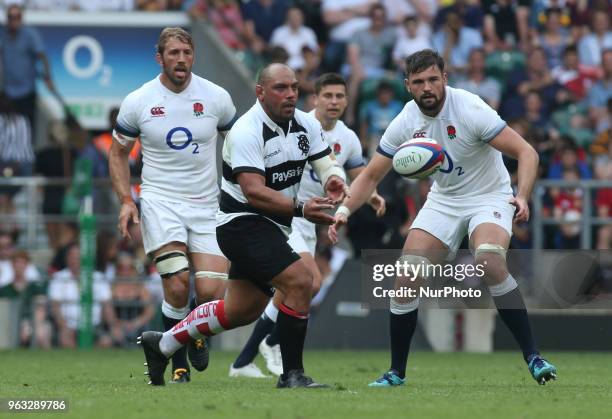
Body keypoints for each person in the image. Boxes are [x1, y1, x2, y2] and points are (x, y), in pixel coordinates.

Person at [329, 49, 557, 387]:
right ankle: (396, 373)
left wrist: (521, 195)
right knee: (406, 275)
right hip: (445, 199)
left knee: (489, 260)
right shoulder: (406, 120)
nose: (427, 87)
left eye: (433, 79)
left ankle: (533, 356)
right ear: (408, 85)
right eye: (419, 82)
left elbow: (527, 152)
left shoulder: (470, 108)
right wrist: (344, 210)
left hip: (489, 195)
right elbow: (370, 175)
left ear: (445, 79)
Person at [137, 63, 349, 388]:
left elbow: (324, 162)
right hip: (241, 224)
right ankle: (292, 374)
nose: (290, 94)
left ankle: (162, 344)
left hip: (273, 227)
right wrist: (302, 208)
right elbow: (253, 191)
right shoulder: (246, 130)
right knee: (301, 281)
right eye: (280, 88)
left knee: (239, 311)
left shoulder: (306, 123)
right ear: (260, 93)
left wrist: (333, 179)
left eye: (293, 87)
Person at [229, 73, 386, 378]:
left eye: (340, 96)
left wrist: (373, 196)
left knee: (304, 286)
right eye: (328, 96)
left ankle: (245, 359)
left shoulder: (349, 138)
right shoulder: (301, 125)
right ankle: (271, 344)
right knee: (306, 282)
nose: (334, 102)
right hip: (288, 214)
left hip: (311, 219)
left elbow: (360, 173)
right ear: (315, 99)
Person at [109, 28, 236, 383]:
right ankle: (178, 363)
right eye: (173, 53)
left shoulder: (216, 97)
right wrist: (125, 200)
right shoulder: (140, 100)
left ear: (193, 55)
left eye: (186, 52)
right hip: (160, 203)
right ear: (160, 58)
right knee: (178, 282)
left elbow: (237, 146)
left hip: (208, 205)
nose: (181, 59)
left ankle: (193, 333)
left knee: (212, 293)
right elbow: (118, 153)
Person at [0, 4, 55, 124]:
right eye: (11, 17)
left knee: (27, 126)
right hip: (7, 91)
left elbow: (43, 57)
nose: (14, 20)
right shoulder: (3, 35)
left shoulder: (30, 35)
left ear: (21, 18)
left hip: (26, 90)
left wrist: (48, 77)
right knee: (6, 126)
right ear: (7, 19)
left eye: (17, 17)